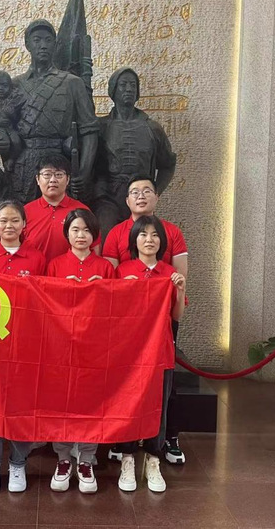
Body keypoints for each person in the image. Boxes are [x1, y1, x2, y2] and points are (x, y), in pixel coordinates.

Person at [102, 175, 189, 465]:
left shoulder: (172, 232)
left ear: (157, 197)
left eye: (147, 191)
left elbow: (178, 277)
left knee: (165, 383)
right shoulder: (116, 233)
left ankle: (167, 438)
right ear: (127, 200)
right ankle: (122, 438)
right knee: (125, 380)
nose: (141, 196)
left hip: (161, 321)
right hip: (128, 325)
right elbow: (112, 283)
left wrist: (176, 290)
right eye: (135, 192)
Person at [0, 200, 46, 493]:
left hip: (25, 341)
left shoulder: (37, 258)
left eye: (15, 220)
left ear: (24, 224)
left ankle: (18, 462)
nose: (9, 226)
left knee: (21, 401)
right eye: (3, 220)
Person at [0, 19, 99, 203]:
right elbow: (0, 122)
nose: (43, 45)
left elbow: (90, 130)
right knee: (22, 216)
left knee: (61, 215)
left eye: (48, 40)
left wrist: (84, 171)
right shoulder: (13, 85)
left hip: (60, 162)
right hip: (23, 163)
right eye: (37, 40)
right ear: (27, 44)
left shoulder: (72, 83)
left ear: (55, 44)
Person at [114, 215, 186, 493]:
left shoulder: (169, 273)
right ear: (134, 240)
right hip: (129, 351)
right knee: (129, 402)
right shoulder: (123, 270)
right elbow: (113, 312)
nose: (149, 239)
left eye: (155, 235)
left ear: (162, 242)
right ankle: (128, 457)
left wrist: (179, 290)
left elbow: (176, 316)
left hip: (160, 349)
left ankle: (154, 459)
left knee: (159, 404)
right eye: (143, 234)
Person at [45, 208, 114, 494]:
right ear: (67, 234)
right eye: (75, 229)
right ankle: (63, 458)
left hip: (95, 346)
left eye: (86, 230)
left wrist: (103, 289)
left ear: (94, 234)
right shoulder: (55, 265)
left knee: (91, 402)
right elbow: (44, 304)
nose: (81, 235)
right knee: (61, 401)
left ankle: (86, 459)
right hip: (61, 346)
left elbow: (115, 308)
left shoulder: (106, 267)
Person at [93, 67, 177, 243]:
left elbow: (168, 165)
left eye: (133, 85)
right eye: (123, 85)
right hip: (109, 198)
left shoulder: (152, 128)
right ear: (113, 90)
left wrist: (154, 192)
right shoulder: (101, 127)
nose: (129, 89)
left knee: (142, 242)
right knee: (107, 240)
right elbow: (90, 164)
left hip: (140, 197)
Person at [23, 154, 96, 263]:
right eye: (47, 174)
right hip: (34, 271)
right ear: (37, 179)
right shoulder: (25, 212)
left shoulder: (82, 211)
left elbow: (94, 249)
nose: (53, 180)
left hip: (70, 272)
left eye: (58, 174)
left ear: (68, 179)